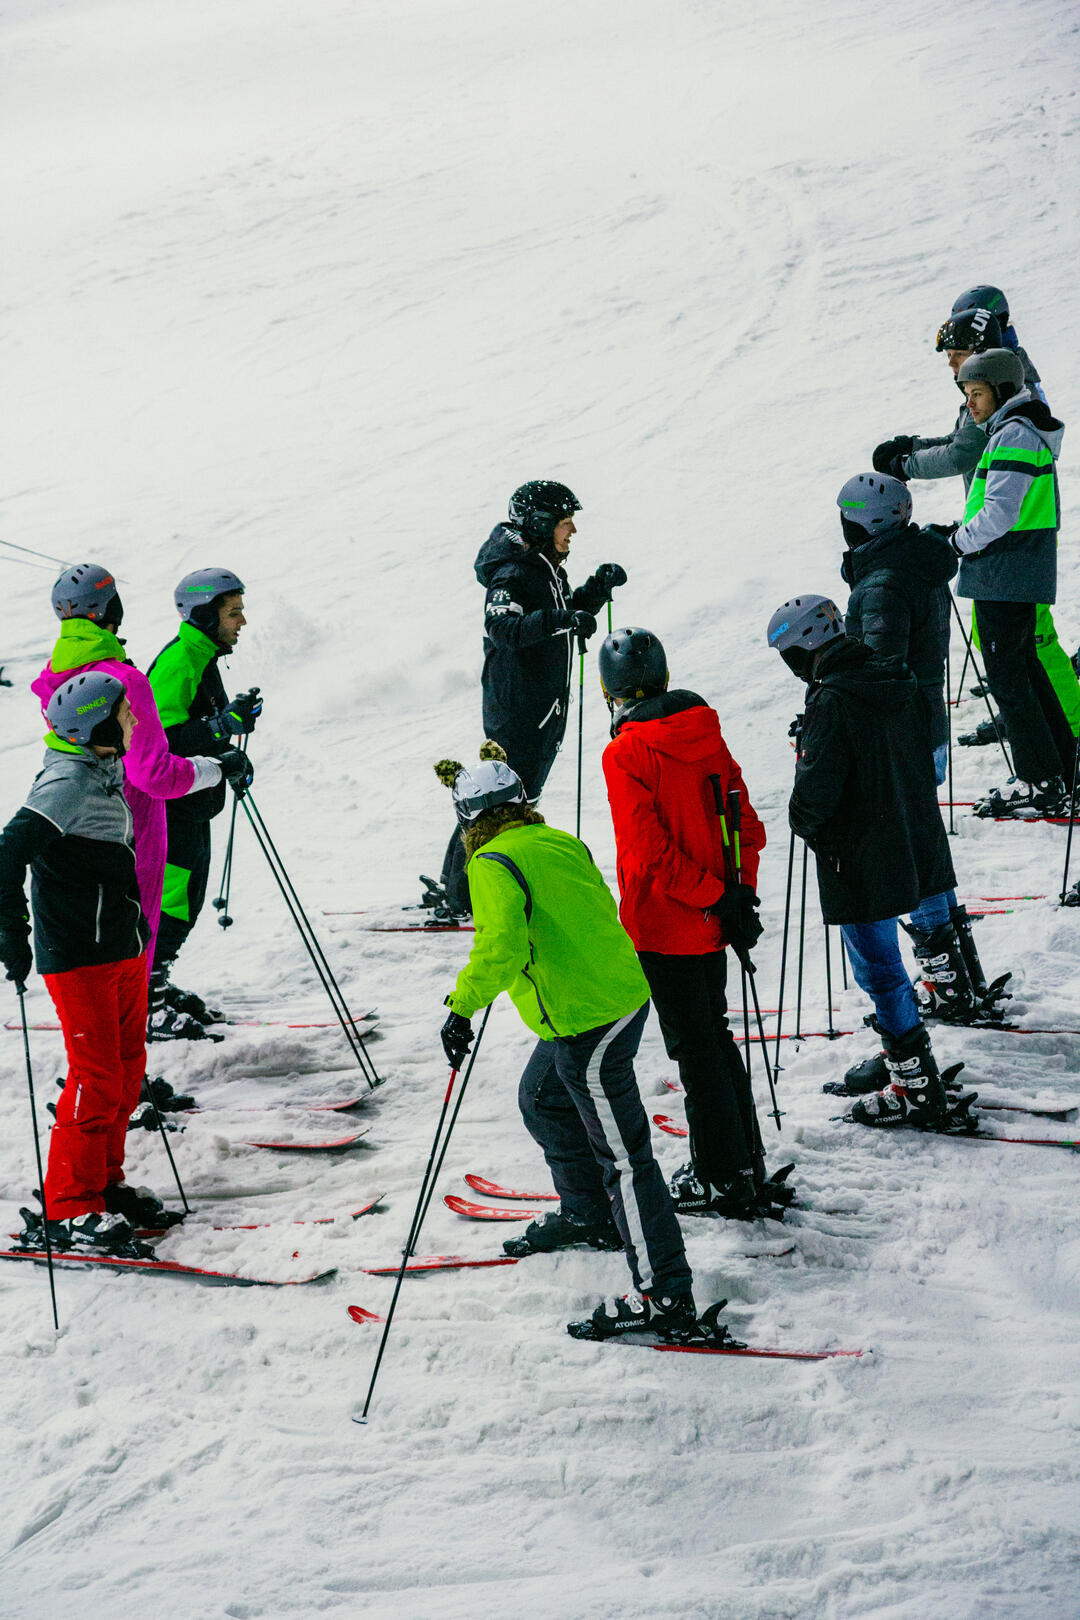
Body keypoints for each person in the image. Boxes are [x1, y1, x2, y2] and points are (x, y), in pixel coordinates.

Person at [437, 748, 707, 1343]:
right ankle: (588, 1213)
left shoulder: (491, 862)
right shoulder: (557, 840)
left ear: (470, 819)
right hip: (617, 999)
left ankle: (666, 1294)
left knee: (627, 1160)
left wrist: (461, 1007)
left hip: (588, 1019)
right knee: (544, 1097)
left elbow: (499, 948)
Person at [596, 626, 794, 1219]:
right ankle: (741, 1162)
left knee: (696, 1050)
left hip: (667, 923)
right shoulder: (705, 731)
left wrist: (710, 897)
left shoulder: (626, 751)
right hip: (718, 919)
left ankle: (722, 1175)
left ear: (613, 692)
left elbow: (649, 852)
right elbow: (746, 826)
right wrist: (737, 896)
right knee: (716, 1038)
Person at [767, 596, 972, 1129]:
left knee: (879, 971)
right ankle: (912, 1053)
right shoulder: (893, 676)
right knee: (902, 947)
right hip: (914, 837)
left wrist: (807, 761)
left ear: (806, 647)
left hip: (858, 860)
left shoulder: (831, 703)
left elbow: (812, 805)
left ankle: (912, 1081)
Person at [31, 564, 248, 1065]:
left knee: (121, 946)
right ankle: (122, 1075)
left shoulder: (63, 673)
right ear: (113, 610)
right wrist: (215, 764)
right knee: (137, 940)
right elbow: (153, 769)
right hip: (136, 823)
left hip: (90, 823)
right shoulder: (122, 677)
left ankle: (127, 1075)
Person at [0, 672, 169, 1255]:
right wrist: (12, 933)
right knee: (93, 1077)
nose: (136, 720)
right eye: (126, 713)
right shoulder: (66, 784)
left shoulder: (102, 768)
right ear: (99, 724)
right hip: (79, 955)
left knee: (125, 1069)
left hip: (120, 945)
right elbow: (6, 855)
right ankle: (68, 1206)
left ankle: (103, 1183)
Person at [834, 474, 1007, 1030]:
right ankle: (956, 976)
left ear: (865, 523)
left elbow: (882, 672)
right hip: (924, 727)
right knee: (925, 849)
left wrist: (836, 697)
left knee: (911, 854)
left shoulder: (881, 583)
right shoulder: (915, 563)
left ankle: (946, 979)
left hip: (898, 738)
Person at [874, 291, 1080, 746]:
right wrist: (913, 444)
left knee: (1034, 649)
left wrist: (907, 463)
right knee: (1017, 654)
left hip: (1014, 541)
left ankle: (1067, 732)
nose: (953, 369)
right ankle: (1038, 729)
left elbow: (965, 450)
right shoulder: (994, 385)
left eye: (959, 356)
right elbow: (963, 438)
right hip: (998, 539)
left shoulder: (1006, 393)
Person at [421, 481, 627, 925]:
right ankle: (459, 895)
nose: (572, 530)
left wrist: (595, 590)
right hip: (517, 704)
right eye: (564, 521)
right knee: (497, 802)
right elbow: (503, 628)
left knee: (512, 797)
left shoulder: (541, 565)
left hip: (539, 702)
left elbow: (560, 613)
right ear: (538, 523)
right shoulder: (512, 572)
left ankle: (463, 888)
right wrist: (562, 619)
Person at [950, 351, 1071, 817]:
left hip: (1006, 571)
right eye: (967, 395)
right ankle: (1059, 768)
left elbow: (1001, 512)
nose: (972, 404)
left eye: (977, 394)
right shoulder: (1015, 429)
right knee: (1025, 673)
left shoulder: (1015, 433)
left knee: (1009, 680)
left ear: (1000, 390)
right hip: (1012, 571)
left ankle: (1040, 781)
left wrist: (957, 543)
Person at [146, 568, 259, 1037]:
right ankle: (146, 1002)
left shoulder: (204, 656)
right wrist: (219, 728)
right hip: (169, 807)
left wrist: (227, 741)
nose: (242, 622)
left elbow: (199, 725)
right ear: (204, 615)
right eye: (233, 613)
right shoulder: (180, 664)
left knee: (186, 900)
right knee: (172, 903)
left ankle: (154, 984)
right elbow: (156, 742)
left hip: (193, 801)